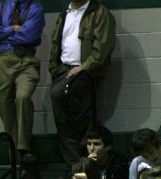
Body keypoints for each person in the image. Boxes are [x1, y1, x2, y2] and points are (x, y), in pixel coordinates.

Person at [0, 0, 45, 179]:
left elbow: (29, 35)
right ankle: (18, 164)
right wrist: (12, 29)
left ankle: (24, 148)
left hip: (26, 60)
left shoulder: (35, 7)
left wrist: (1, 34)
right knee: (5, 109)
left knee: (23, 97)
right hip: (2, 61)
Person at [49, 0, 116, 167]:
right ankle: (74, 165)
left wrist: (83, 68)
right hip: (63, 70)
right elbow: (56, 44)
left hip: (86, 70)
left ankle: (83, 160)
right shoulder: (64, 15)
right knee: (63, 117)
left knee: (63, 99)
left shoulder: (100, 12)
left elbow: (102, 50)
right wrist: (54, 68)